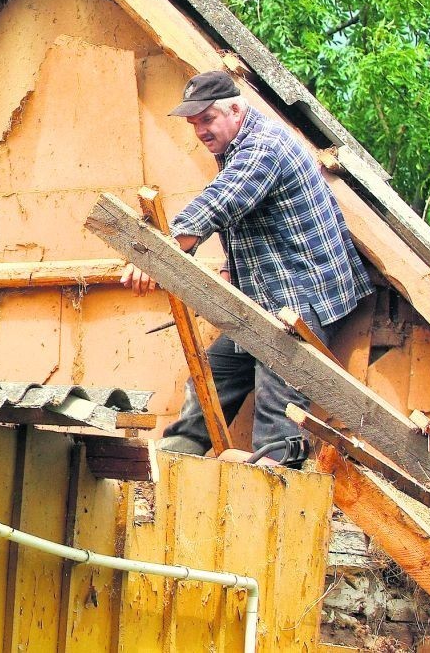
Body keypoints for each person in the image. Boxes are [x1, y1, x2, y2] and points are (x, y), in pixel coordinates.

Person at [121, 70, 373, 464]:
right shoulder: (235, 147)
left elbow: (221, 202)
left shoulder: (263, 146)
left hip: (300, 300)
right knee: (211, 379)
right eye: (194, 124)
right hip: (262, 300)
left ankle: (277, 476)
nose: (200, 131)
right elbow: (254, 220)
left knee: (278, 407)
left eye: (207, 119)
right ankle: (172, 462)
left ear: (236, 109)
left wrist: (153, 256)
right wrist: (228, 269)